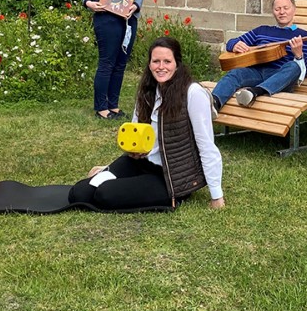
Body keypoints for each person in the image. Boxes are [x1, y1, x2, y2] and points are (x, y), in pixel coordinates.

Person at [68, 37, 225, 211]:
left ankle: (156, 193)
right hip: (141, 162)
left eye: (167, 61)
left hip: (170, 176)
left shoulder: (193, 93)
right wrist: (111, 166)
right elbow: (136, 132)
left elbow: (207, 146)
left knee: (104, 194)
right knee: (80, 193)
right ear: (149, 64)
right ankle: (121, 180)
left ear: (177, 64)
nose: (161, 66)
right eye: (156, 61)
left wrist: (216, 196)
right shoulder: (148, 90)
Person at [211, 0, 307, 111]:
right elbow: (232, 42)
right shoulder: (262, 30)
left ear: (294, 10)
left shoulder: (303, 35)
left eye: (286, 8)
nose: (281, 12)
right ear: (273, 12)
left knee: (294, 66)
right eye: (277, 9)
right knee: (236, 73)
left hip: (280, 78)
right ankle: (214, 103)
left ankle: (256, 92)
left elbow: (306, 69)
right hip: (257, 73)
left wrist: (299, 55)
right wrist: (234, 45)